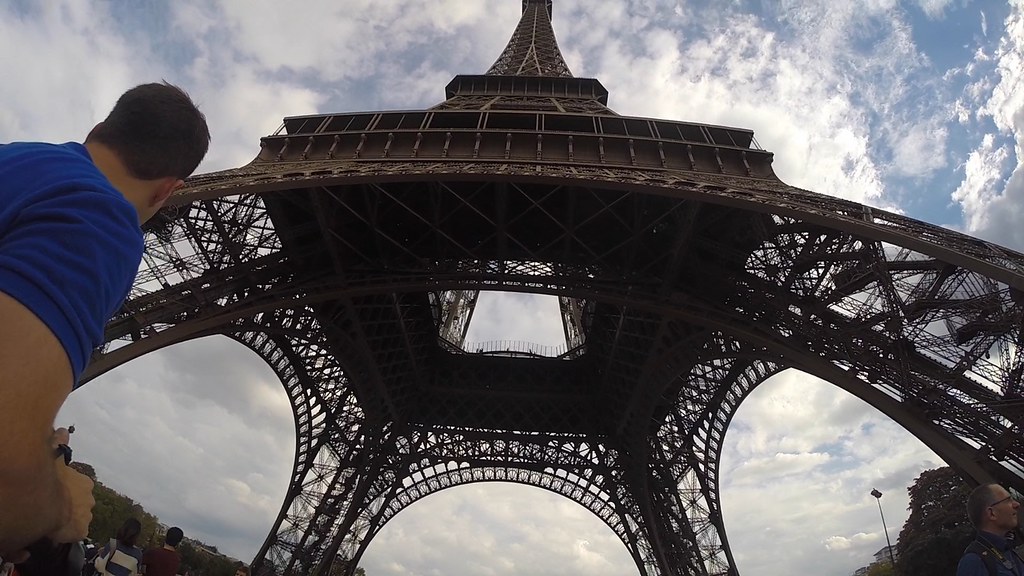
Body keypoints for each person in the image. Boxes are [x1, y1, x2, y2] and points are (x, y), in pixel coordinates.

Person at [0, 83, 210, 561]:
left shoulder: (13, 161)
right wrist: (61, 506)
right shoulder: (99, 218)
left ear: (97, 130)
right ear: (168, 189)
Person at [957, 483, 1024, 575]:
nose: (1016, 504)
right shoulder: (974, 562)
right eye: (1008, 500)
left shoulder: (1009, 549)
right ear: (992, 513)